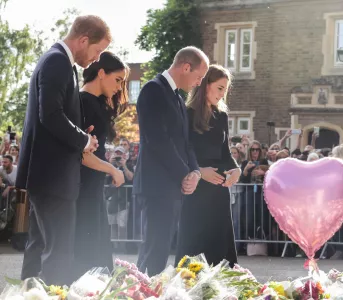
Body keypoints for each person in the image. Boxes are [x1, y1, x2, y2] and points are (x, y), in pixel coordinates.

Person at [17, 16, 124, 285]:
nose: (96, 58)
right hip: (53, 176)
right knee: (59, 254)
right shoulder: (57, 61)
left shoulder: (58, 61)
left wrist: (79, 134)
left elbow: (55, 115)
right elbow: (50, 114)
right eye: (97, 51)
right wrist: (84, 141)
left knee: (40, 250)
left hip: (48, 175)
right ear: (84, 40)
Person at [133, 46, 209, 276]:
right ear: (186, 67)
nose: (198, 83)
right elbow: (157, 139)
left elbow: (186, 143)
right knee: (153, 249)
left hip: (172, 186)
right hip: (156, 185)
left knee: (162, 248)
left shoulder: (177, 97)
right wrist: (184, 173)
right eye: (198, 77)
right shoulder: (152, 90)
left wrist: (195, 171)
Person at [174, 65, 241, 267]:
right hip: (196, 187)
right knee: (193, 241)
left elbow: (225, 152)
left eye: (225, 90)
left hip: (219, 189)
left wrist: (236, 169)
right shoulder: (186, 113)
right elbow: (182, 149)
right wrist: (200, 172)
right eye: (220, 88)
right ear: (205, 85)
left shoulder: (222, 116)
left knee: (219, 241)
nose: (223, 94)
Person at [73, 51, 129, 277]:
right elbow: (82, 154)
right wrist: (112, 169)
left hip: (92, 188)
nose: (119, 87)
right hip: (83, 187)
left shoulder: (95, 103)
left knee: (97, 253)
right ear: (101, 73)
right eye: (117, 80)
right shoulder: (84, 102)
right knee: (88, 255)